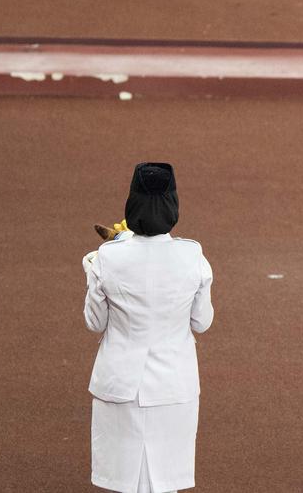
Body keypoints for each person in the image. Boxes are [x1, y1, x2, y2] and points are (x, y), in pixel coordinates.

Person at [83, 163, 214, 493]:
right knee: (165, 483)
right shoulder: (192, 255)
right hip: (173, 386)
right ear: (173, 206)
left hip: (119, 384)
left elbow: (94, 322)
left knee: (124, 482)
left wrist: (95, 265)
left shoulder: (106, 258)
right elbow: (202, 321)